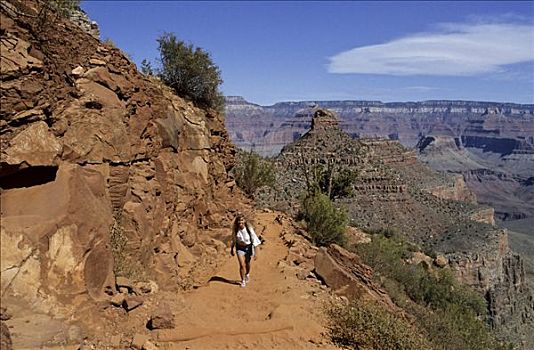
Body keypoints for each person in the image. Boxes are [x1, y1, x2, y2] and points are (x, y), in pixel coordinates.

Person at [230, 215, 262, 288]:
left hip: (248, 248)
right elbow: (233, 240)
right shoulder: (235, 230)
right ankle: (243, 280)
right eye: (239, 220)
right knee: (241, 264)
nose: (240, 222)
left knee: (247, 262)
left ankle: (247, 274)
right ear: (237, 222)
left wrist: (256, 253)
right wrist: (232, 249)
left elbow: (254, 240)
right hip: (239, 248)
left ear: (244, 221)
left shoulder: (249, 229)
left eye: (242, 220)